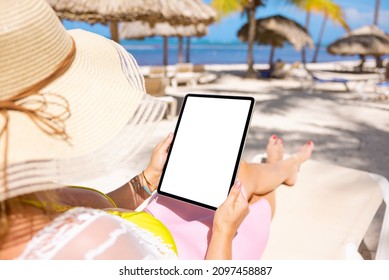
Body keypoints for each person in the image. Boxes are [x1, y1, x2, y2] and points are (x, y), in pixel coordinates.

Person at [0, 0, 314, 260]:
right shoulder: (92, 244)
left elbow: (101, 206)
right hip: (198, 251)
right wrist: (224, 231)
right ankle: (285, 169)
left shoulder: (24, 201)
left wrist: (148, 177)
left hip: (149, 222)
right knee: (254, 200)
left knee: (236, 174)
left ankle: (281, 166)